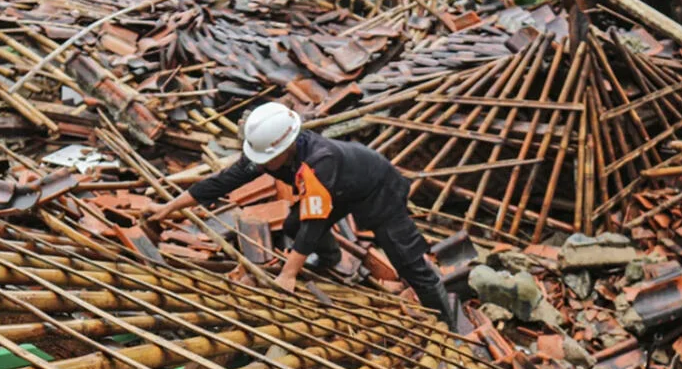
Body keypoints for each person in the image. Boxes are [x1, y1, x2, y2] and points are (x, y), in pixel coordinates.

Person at [151, 102, 458, 330]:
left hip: (377, 188)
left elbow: (314, 224)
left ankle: (447, 326)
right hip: (340, 188)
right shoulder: (271, 154)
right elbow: (222, 181)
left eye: (266, 159)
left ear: (283, 148)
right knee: (292, 224)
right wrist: (168, 208)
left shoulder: (317, 163)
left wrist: (288, 274)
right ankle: (329, 260)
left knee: (406, 259)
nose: (261, 165)